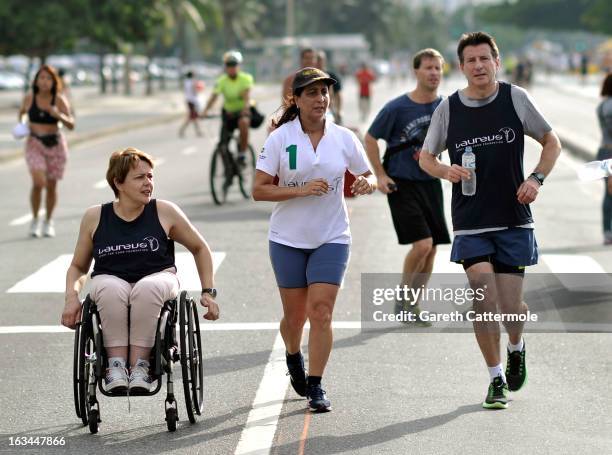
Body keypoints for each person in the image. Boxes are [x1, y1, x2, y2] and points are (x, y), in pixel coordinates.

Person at [419, 32, 561, 409]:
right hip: (471, 221)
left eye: (485, 59)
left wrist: (536, 179)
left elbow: (552, 141)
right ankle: (495, 379)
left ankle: (517, 345)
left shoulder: (516, 98)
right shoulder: (449, 108)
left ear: (496, 62)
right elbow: (426, 157)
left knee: (511, 309)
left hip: (514, 219)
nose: (479, 66)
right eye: (471, 61)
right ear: (462, 67)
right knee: (484, 301)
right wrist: (444, 170)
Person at [252, 67, 376, 412]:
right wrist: (300, 189)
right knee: (295, 318)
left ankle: (317, 385)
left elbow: (368, 175)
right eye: (312, 93)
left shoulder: (344, 137)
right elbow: (258, 190)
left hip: (332, 236)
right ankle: (293, 355)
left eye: (325, 92)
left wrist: (368, 183)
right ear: (296, 99)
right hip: (288, 238)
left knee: (320, 312)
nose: (321, 99)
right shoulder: (280, 139)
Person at [61, 147, 219, 392]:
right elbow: (79, 267)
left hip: (159, 278)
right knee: (107, 287)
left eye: (150, 176)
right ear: (118, 183)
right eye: (140, 177)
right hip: (112, 280)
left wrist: (208, 291)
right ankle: (115, 366)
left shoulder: (164, 211)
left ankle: (141, 366)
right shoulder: (95, 217)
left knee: (147, 288)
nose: (148, 183)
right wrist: (71, 298)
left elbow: (200, 248)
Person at [364, 49, 450, 323]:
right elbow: (370, 138)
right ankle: (403, 297)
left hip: (431, 182)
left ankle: (413, 305)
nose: (433, 73)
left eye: (437, 68)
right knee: (422, 245)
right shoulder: (397, 107)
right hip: (401, 182)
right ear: (416, 72)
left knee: (433, 248)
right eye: (428, 68)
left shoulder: (446, 106)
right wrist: (379, 174)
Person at [18, 64, 75, 238]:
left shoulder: (59, 99)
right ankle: (35, 219)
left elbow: (71, 125)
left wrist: (58, 115)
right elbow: (21, 113)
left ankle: (48, 221)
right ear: (36, 81)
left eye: (48, 78)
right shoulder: (29, 98)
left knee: (51, 186)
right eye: (41, 78)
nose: (44, 82)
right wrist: (22, 125)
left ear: (54, 81)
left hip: (56, 145)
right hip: (34, 143)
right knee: (38, 183)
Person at [202, 51, 254, 166]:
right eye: (229, 65)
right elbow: (214, 96)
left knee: (244, 122)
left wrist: (246, 108)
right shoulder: (222, 81)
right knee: (222, 146)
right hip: (228, 114)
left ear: (239, 65)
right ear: (225, 67)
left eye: (234, 65)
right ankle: (228, 171)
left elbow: (247, 96)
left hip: (241, 112)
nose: (231, 68)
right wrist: (205, 111)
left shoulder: (246, 79)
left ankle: (242, 154)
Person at [597, 73, 612, 245]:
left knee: (608, 194)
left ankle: (607, 231)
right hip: (610, 154)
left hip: (604, 151)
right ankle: (608, 232)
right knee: (610, 194)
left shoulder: (602, 105)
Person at [316, 51, 343, 125]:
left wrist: (339, 110)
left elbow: (338, 94)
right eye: (317, 60)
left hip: (330, 109)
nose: (319, 62)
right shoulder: (310, 77)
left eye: (320, 60)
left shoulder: (331, 76)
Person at [179, 71, 203, 138]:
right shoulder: (193, 82)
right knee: (191, 117)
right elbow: (194, 91)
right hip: (192, 101)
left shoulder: (186, 82)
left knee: (194, 117)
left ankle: (198, 132)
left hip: (188, 100)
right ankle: (182, 130)